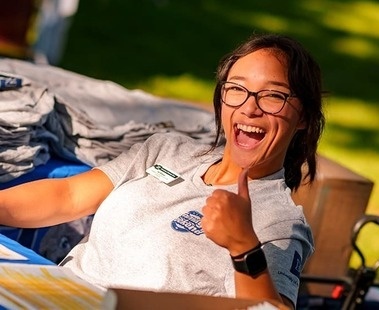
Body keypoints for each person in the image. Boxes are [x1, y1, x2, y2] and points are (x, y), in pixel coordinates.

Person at [0, 33, 325, 308]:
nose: (249, 107)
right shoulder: (168, 149)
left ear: (305, 118)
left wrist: (244, 248)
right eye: (237, 89)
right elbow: (68, 195)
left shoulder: (280, 222)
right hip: (54, 296)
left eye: (273, 96)